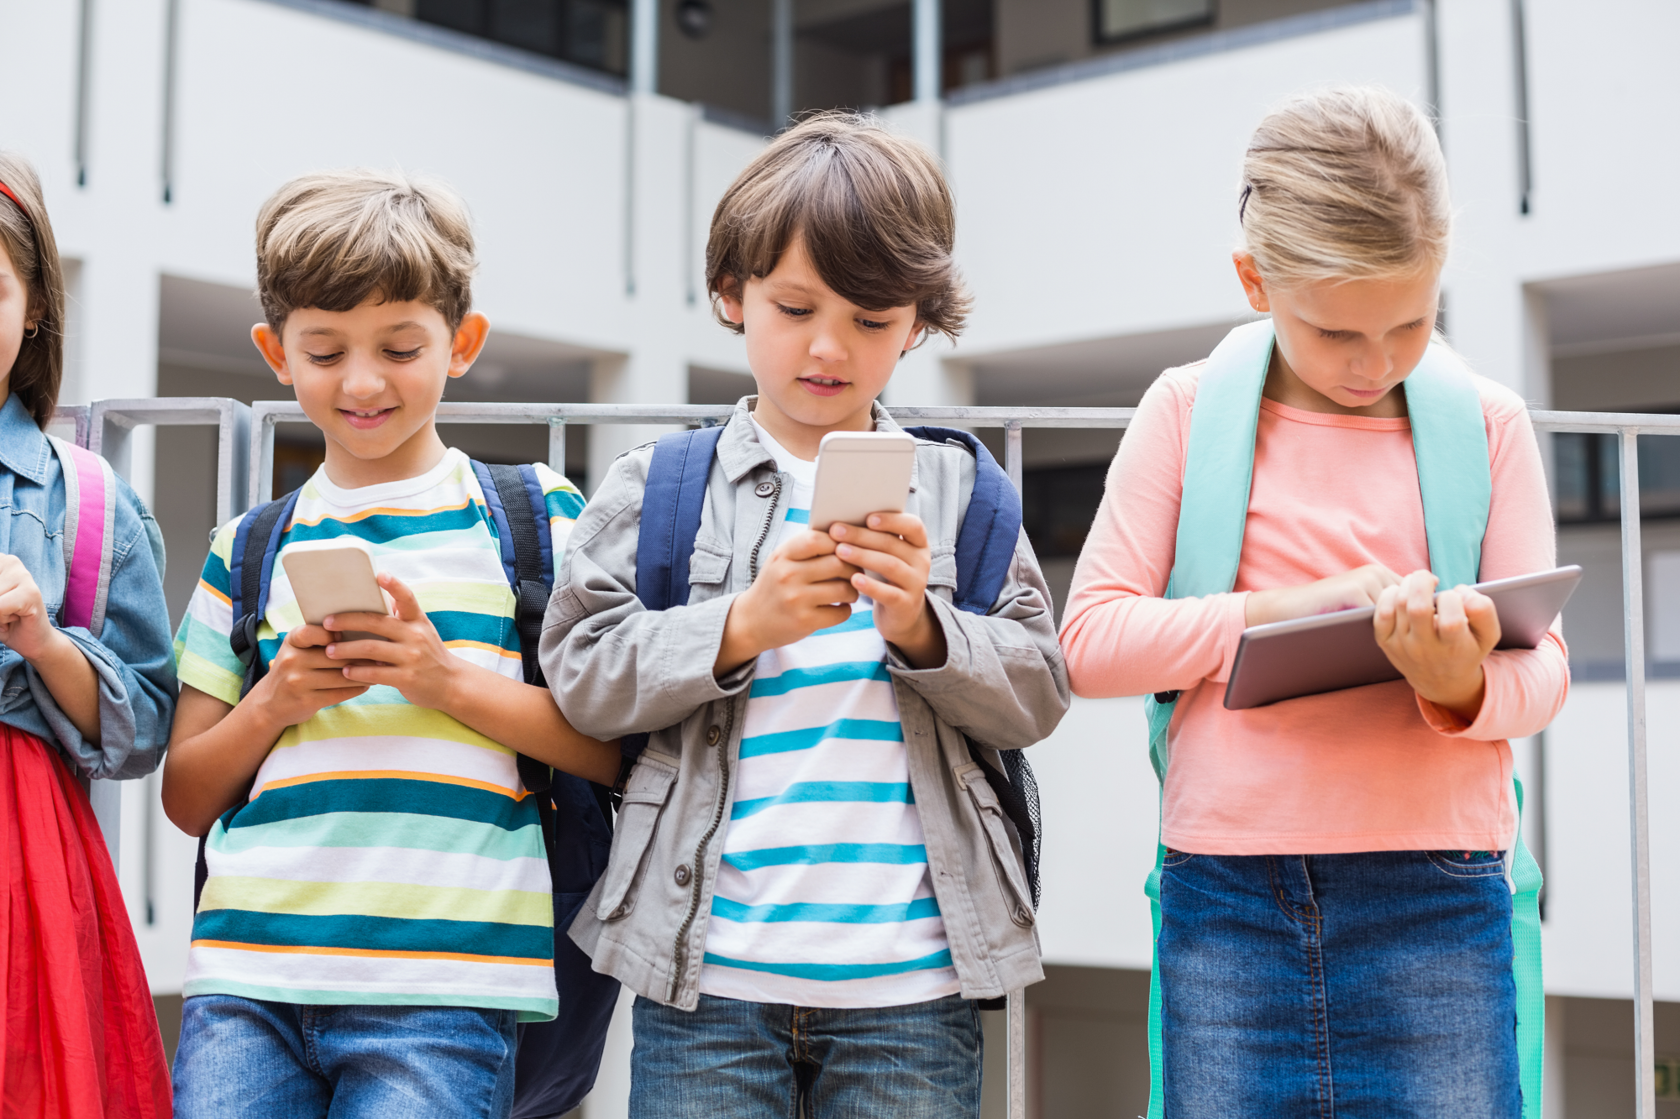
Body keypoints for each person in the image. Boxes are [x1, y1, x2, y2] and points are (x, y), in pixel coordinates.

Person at [541, 112, 1069, 1118]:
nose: (829, 347)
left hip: (916, 984)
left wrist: (924, 628)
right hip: (708, 978)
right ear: (731, 295)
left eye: (871, 321)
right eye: (794, 307)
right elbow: (579, 671)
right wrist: (741, 625)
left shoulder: (964, 492)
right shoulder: (658, 484)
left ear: (916, 321)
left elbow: (1038, 689)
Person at [1060, 86, 1569, 1118]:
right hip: (1229, 897)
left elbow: (1544, 668)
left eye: (1412, 323)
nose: (1373, 363)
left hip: (1439, 892)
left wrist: (1461, 683)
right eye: (1336, 330)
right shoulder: (1186, 410)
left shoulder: (1488, 425)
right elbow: (1090, 644)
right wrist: (1283, 611)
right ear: (1255, 280)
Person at [162, 169, 620, 1119]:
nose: (362, 381)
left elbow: (613, 751)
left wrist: (441, 678)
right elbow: (187, 793)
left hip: (451, 991)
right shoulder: (244, 548)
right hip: (248, 980)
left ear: (463, 343)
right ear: (274, 353)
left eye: (400, 347)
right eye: (324, 351)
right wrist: (275, 701)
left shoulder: (538, 519)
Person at [0, 153, 176, 1117]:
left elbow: (145, 727)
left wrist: (40, 636)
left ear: (32, 308)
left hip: (20, 858)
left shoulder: (89, 498)